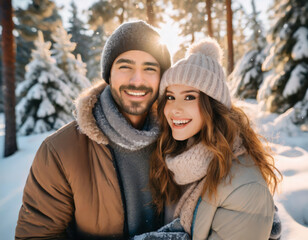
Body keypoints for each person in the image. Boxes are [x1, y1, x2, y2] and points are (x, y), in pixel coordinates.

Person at [15, 20, 171, 239]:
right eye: (125, 67)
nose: (137, 80)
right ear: (108, 75)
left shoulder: (177, 139)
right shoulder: (61, 151)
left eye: (149, 68)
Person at [149, 38, 282, 240]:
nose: (175, 108)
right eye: (170, 96)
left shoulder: (244, 186)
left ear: (213, 105)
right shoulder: (172, 160)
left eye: (189, 97)